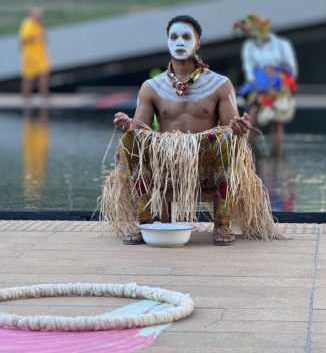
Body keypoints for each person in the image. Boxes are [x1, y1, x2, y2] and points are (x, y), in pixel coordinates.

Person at [101, 15, 285, 246]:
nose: (179, 42)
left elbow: (236, 135)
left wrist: (239, 129)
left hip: (208, 162)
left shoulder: (220, 84)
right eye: (174, 37)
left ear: (198, 42)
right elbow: (141, 132)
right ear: (167, 42)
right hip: (165, 164)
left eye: (186, 37)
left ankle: (223, 223)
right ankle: (144, 223)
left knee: (229, 140)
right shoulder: (151, 87)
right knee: (131, 144)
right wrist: (127, 127)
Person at [234, 14, 298, 157]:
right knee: (252, 119)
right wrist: (257, 84)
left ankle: (277, 156)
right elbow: (248, 68)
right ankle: (247, 155)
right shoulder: (249, 45)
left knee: (277, 122)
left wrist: (279, 84)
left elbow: (290, 67)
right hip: (257, 84)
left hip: (278, 84)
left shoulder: (282, 44)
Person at [19, 6, 50, 100]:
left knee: (43, 74)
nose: (39, 15)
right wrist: (36, 38)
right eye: (37, 12)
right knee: (30, 77)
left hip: (39, 54)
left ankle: (43, 95)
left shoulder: (39, 24)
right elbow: (24, 39)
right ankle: (27, 96)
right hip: (31, 55)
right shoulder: (27, 24)